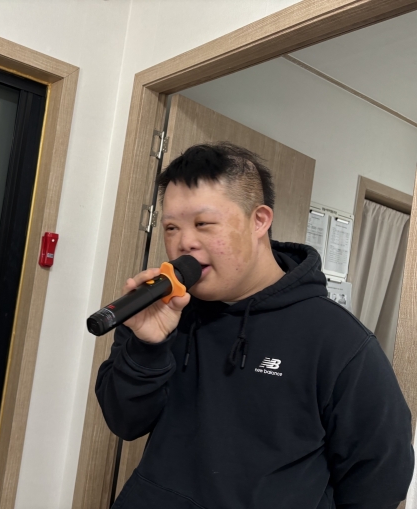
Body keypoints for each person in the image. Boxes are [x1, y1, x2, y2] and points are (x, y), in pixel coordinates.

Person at [96, 142, 414, 509]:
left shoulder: (340, 342)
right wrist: (147, 346)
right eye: (171, 227)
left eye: (203, 224)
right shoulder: (159, 311)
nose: (184, 243)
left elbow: (380, 480)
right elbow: (124, 421)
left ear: (259, 221)